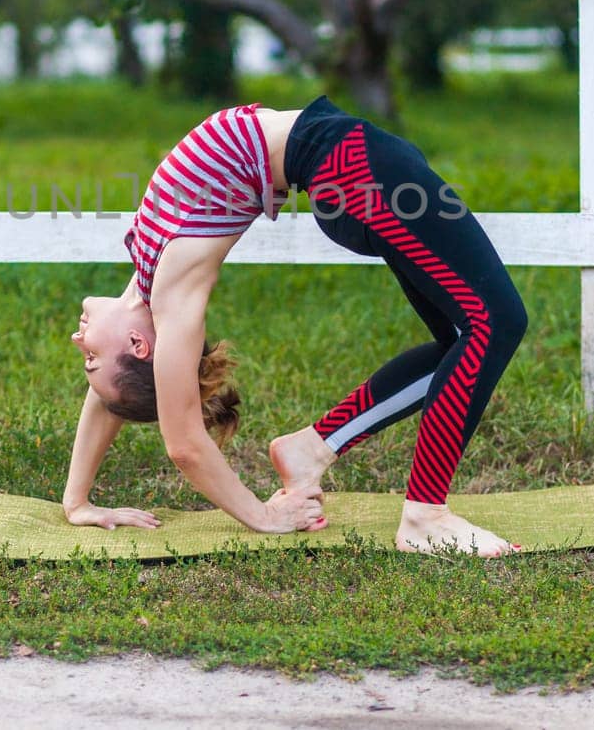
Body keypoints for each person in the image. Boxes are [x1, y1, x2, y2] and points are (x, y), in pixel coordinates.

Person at [63, 93, 530, 555]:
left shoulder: (147, 268)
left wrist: (76, 501)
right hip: (350, 169)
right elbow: (183, 443)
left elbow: (110, 398)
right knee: (495, 323)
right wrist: (264, 517)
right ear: (138, 345)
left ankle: (312, 447)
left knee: (462, 339)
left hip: (347, 165)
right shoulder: (172, 291)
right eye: (90, 356)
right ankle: (425, 515)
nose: (78, 338)